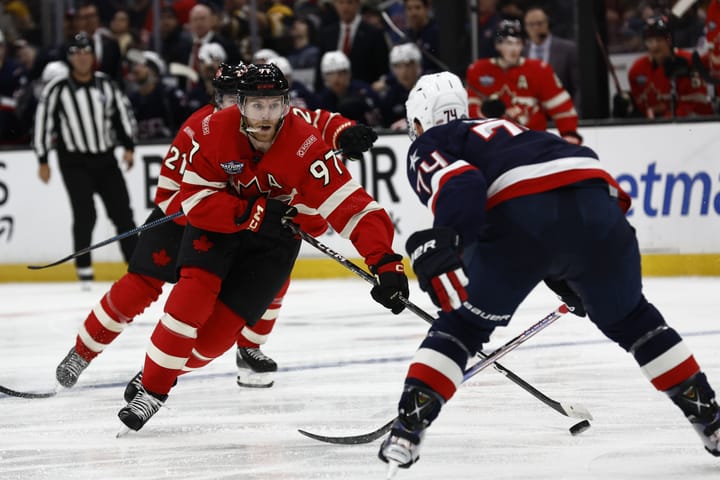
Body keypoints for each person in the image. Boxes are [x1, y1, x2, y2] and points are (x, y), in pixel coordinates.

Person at [377, 71, 720, 475]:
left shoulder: (431, 142)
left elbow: (462, 184)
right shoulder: (518, 130)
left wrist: (446, 239)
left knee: (462, 329)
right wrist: (567, 269)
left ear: (417, 120)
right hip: (600, 211)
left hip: (525, 219)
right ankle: (711, 422)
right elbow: (579, 187)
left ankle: (407, 430)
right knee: (634, 320)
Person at [55, 62, 380, 392]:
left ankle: (246, 347)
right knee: (141, 284)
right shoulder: (201, 128)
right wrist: (209, 212)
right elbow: (170, 190)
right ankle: (82, 353)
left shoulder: (268, 116)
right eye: (224, 96)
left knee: (269, 277)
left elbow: (313, 120)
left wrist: (344, 131)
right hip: (186, 220)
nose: (231, 105)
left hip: (234, 221)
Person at [117, 63, 401, 432]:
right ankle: (153, 392)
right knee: (189, 301)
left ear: (286, 105)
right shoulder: (215, 131)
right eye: (256, 106)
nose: (265, 116)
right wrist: (251, 212)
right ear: (240, 106)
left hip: (275, 241)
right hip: (218, 229)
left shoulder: (304, 144)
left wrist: (387, 264)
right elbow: (195, 198)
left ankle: (160, 370)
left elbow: (352, 207)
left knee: (216, 340)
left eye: (273, 105)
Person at [32, 32, 137, 288]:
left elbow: (122, 115)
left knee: (123, 213)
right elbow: (43, 123)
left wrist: (129, 146)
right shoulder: (57, 88)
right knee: (85, 214)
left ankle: (136, 267)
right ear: (69, 58)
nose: (81, 57)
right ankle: (84, 270)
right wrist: (43, 158)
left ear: (93, 56)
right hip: (74, 160)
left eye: (86, 51)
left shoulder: (106, 84)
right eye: (76, 53)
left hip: (105, 157)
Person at [465, 19, 581, 144]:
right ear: (497, 45)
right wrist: (483, 112)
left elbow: (561, 106)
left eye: (518, 43)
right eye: (508, 43)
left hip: (533, 142)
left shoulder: (539, 70)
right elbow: (469, 111)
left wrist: (569, 134)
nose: (514, 49)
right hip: (493, 143)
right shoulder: (478, 70)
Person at [617, 15, 714, 119]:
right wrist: (629, 105)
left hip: (694, 125)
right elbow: (643, 105)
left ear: (669, 40)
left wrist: (663, 120)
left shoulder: (689, 62)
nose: (654, 45)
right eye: (649, 41)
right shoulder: (637, 70)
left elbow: (697, 104)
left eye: (659, 40)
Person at [522, 5, 580, 114]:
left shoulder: (567, 50)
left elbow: (577, 86)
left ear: (547, 23)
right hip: (530, 116)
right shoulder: (521, 52)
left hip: (561, 111)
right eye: (531, 24)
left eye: (539, 23)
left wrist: (575, 113)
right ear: (525, 27)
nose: (535, 28)